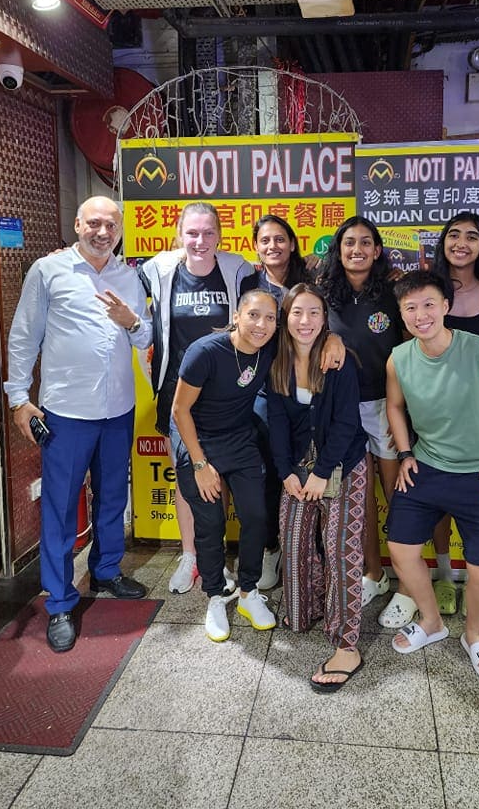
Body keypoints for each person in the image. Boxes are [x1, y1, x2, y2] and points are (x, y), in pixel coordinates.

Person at [5, 196, 152, 654]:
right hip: (66, 413)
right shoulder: (49, 271)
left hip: (118, 409)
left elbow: (146, 336)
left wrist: (132, 322)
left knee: (113, 497)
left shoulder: (129, 276)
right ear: (77, 224)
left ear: (121, 229)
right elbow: (24, 336)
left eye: (111, 225)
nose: (103, 232)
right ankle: (60, 601)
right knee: (60, 507)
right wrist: (18, 399)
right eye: (94, 223)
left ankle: (106, 571)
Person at [385, 271, 479, 680]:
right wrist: (405, 452)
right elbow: (394, 406)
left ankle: (475, 634)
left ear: (446, 306)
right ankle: (431, 622)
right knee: (401, 550)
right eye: (411, 308)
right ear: (401, 314)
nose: (421, 315)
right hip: (427, 467)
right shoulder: (398, 358)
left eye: (429, 304)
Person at [140, 202, 253, 594]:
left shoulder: (238, 270)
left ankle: (218, 558)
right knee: (188, 477)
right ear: (179, 235)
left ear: (220, 235)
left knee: (222, 475)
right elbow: (117, 283)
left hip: (228, 393)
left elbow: (267, 308)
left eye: (208, 232)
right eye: (192, 232)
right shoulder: (158, 270)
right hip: (178, 393)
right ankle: (191, 556)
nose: (200, 240)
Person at [267, 284, 367, 692]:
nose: (304, 321)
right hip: (297, 466)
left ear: (325, 319)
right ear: (285, 317)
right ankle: (303, 610)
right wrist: (286, 472)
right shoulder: (277, 361)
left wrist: (323, 472)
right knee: (293, 541)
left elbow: (346, 423)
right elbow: (276, 422)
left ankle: (346, 643)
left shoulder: (338, 359)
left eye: (313, 313)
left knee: (341, 548)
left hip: (342, 464)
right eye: (296, 312)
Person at [170, 289, 281, 642]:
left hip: (239, 439)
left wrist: (334, 342)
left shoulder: (269, 349)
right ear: (236, 316)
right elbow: (179, 410)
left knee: (256, 516)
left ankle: (248, 592)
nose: (261, 324)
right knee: (211, 523)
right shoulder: (204, 352)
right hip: (198, 441)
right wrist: (200, 463)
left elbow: (312, 336)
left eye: (270, 318)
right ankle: (215, 596)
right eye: (253, 315)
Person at [318, 216, 410, 627]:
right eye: (349, 242)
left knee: (397, 495)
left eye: (365, 242)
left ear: (377, 250)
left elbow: (410, 347)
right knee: (360, 497)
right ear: (338, 250)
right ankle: (375, 572)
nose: (357, 249)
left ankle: (409, 585)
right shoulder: (325, 293)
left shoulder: (393, 291)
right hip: (341, 409)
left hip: (385, 405)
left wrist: (401, 408)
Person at [428, 212, 479, 615]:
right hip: (431, 415)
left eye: (472, 237)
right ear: (443, 241)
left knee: (477, 498)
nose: (461, 243)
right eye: (454, 235)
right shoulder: (427, 289)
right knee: (437, 501)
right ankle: (444, 574)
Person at [238, 214, 313, 588]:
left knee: (305, 466)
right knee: (268, 472)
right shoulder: (249, 284)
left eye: (280, 239)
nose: (273, 246)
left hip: (305, 388)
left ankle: (306, 551)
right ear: (256, 247)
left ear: (292, 243)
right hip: (262, 390)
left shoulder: (311, 280)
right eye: (265, 240)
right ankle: (271, 549)